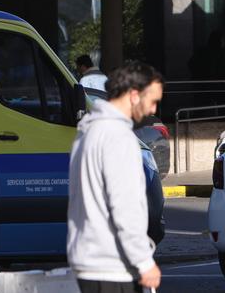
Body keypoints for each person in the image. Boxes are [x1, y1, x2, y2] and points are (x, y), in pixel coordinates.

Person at [68, 60, 164, 293]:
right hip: (113, 265)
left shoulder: (88, 131)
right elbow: (124, 206)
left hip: (86, 260)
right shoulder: (119, 138)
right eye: (152, 101)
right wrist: (144, 261)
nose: (153, 110)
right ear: (134, 95)